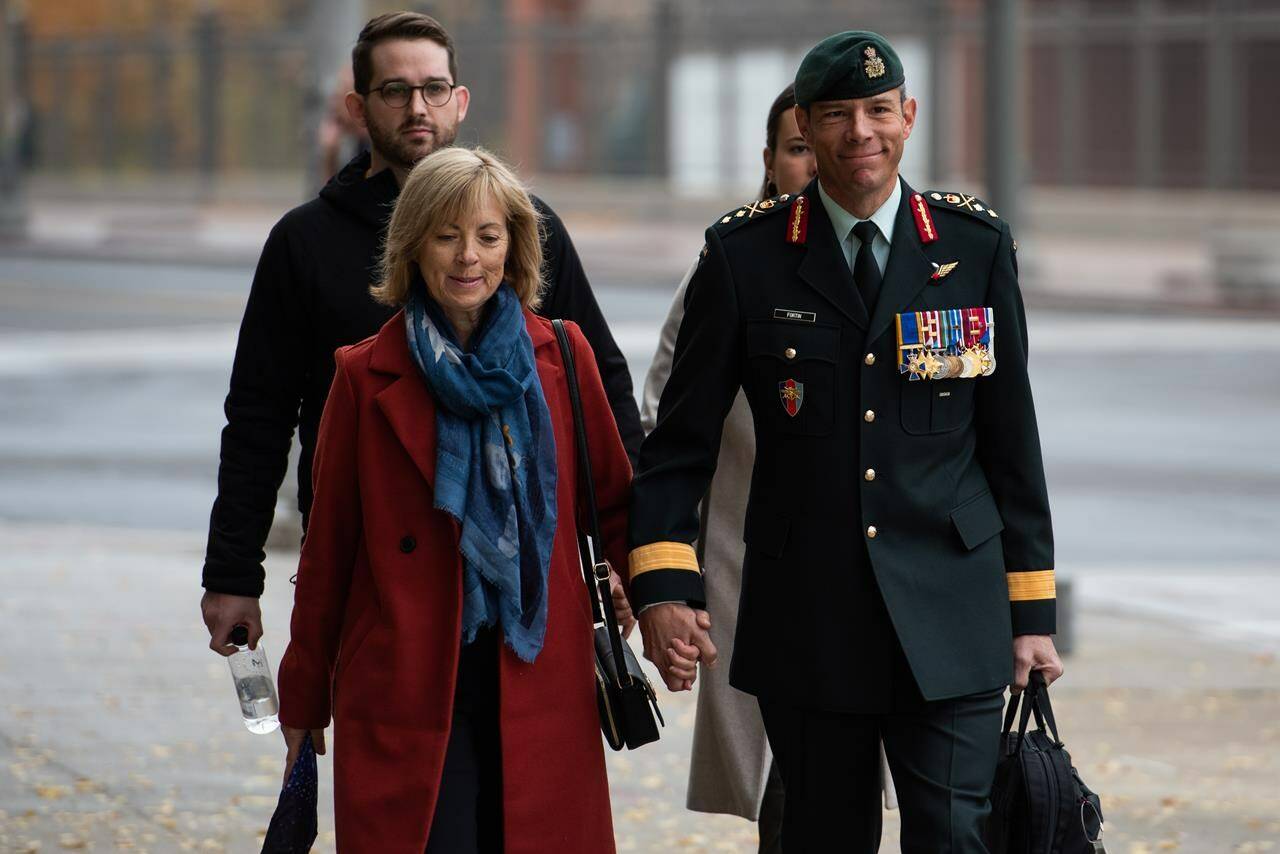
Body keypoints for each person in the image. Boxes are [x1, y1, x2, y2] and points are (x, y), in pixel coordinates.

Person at [628, 31, 1063, 853]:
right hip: (809, 620)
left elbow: (1011, 441)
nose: (860, 132)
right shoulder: (744, 258)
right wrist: (665, 585)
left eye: (876, 110)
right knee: (823, 836)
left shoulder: (974, 250)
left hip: (952, 605)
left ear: (909, 115)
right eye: (834, 115)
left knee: (952, 835)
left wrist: (1030, 609)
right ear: (806, 126)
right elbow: (679, 445)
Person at [200, 11, 642, 658]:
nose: (418, 107)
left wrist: (630, 558)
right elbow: (259, 416)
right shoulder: (306, 243)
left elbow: (598, 390)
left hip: (521, 559)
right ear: (358, 106)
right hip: (370, 567)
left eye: (434, 88)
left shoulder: (522, 225)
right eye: (395, 90)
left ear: (459, 101)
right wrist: (233, 574)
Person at [275, 146, 633, 852]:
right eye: (446, 235)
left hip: (537, 673)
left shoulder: (564, 356)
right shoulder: (361, 374)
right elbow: (329, 549)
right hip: (405, 686)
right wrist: (305, 693)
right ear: (413, 247)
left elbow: (617, 506)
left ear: (514, 246)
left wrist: (659, 604)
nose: (468, 256)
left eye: (488, 236)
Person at [642, 83, 825, 852]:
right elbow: (666, 420)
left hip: (879, 576)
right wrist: (668, 576)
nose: (815, 167)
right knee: (787, 778)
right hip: (753, 564)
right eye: (797, 148)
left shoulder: (911, 259)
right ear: (771, 162)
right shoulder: (731, 265)